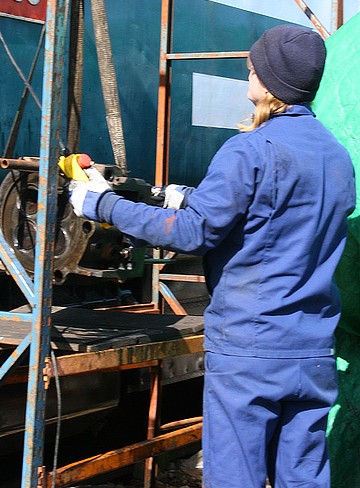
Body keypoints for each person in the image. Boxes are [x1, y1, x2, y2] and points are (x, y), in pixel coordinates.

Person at [69, 24, 356, 488]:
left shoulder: (250, 148)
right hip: (311, 349)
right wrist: (182, 197)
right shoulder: (336, 157)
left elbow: (193, 233)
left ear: (267, 80)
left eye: (253, 67)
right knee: (303, 479)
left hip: (250, 350)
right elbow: (277, 216)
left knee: (234, 478)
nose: (249, 73)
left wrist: (102, 204)